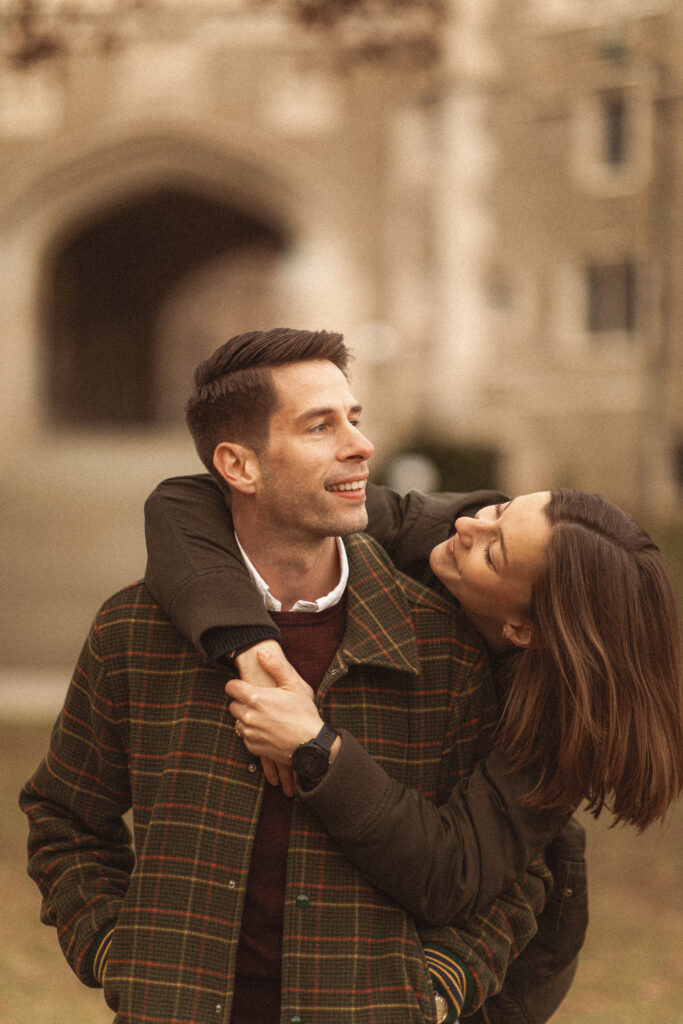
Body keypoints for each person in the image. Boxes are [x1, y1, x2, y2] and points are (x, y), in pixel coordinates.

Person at [20, 328, 554, 1024]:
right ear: (238, 466)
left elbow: (509, 873)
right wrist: (117, 954)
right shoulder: (134, 631)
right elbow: (65, 818)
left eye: (355, 420)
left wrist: (436, 986)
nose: (360, 445)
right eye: (320, 425)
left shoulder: (444, 647)